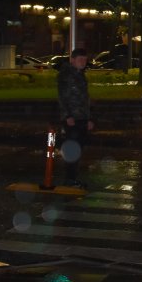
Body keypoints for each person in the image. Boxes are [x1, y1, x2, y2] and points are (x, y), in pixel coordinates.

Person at [57, 47, 94, 188]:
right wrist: (67, 116)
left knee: (78, 149)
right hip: (72, 119)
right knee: (72, 150)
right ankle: (69, 179)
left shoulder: (80, 76)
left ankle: (73, 178)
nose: (83, 62)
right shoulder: (66, 75)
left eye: (85, 60)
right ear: (72, 60)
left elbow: (85, 99)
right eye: (80, 59)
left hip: (82, 118)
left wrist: (89, 118)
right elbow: (63, 97)